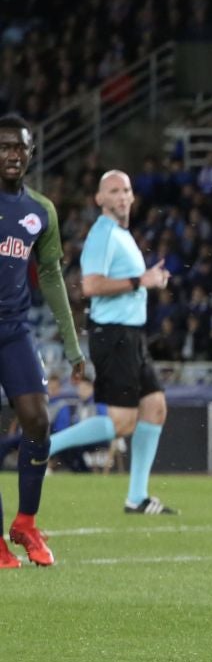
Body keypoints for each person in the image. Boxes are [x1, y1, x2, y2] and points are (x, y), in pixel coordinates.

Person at [46, 170, 176, 515]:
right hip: (113, 335)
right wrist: (141, 280)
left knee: (155, 408)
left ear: (133, 196)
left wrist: (148, 280)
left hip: (131, 335)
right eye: (113, 191)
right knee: (122, 421)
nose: (121, 196)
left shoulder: (121, 234)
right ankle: (45, 446)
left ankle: (137, 497)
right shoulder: (102, 234)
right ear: (100, 199)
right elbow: (90, 286)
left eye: (126, 190)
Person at [0, 114, 87, 568]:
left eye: (20, 147)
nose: (12, 154)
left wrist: (72, 347)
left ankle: (25, 523)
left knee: (37, 421)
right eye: (5, 147)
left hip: (14, 330)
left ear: (31, 153)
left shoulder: (41, 211)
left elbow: (51, 276)